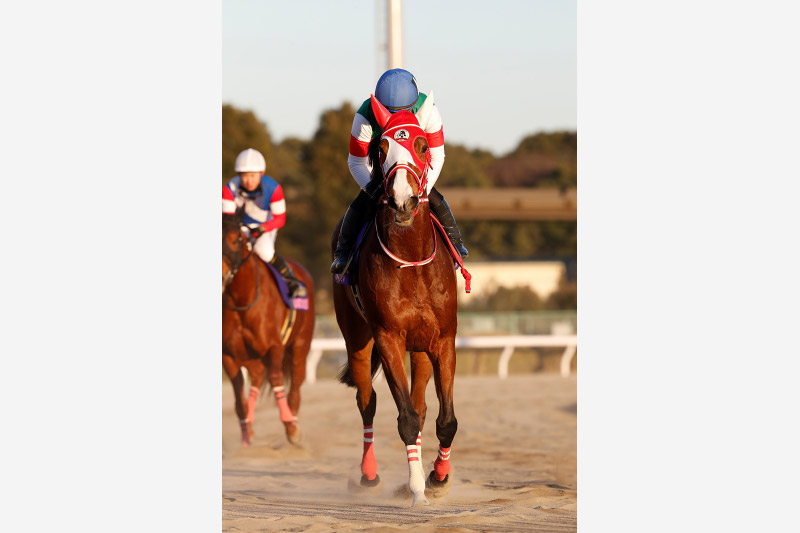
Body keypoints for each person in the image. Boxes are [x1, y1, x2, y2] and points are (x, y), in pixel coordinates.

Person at [330, 68, 469, 274]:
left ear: (415, 105)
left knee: (435, 198)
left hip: (413, 172)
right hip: (381, 170)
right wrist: (375, 190)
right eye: (391, 113)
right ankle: (343, 252)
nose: (398, 118)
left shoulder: (429, 110)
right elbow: (356, 162)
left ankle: (455, 242)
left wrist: (422, 188)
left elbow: (437, 156)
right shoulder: (365, 116)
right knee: (361, 202)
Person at [223, 148, 304, 297]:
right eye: (244, 176)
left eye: (252, 175)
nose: (248, 181)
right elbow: (227, 221)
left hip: (266, 225)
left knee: (265, 252)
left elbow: (280, 219)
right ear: (239, 175)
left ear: (262, 173)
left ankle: (291, 280)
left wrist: (262, 229)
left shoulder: (274, 188)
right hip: (239, 227)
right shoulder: (229, 188)